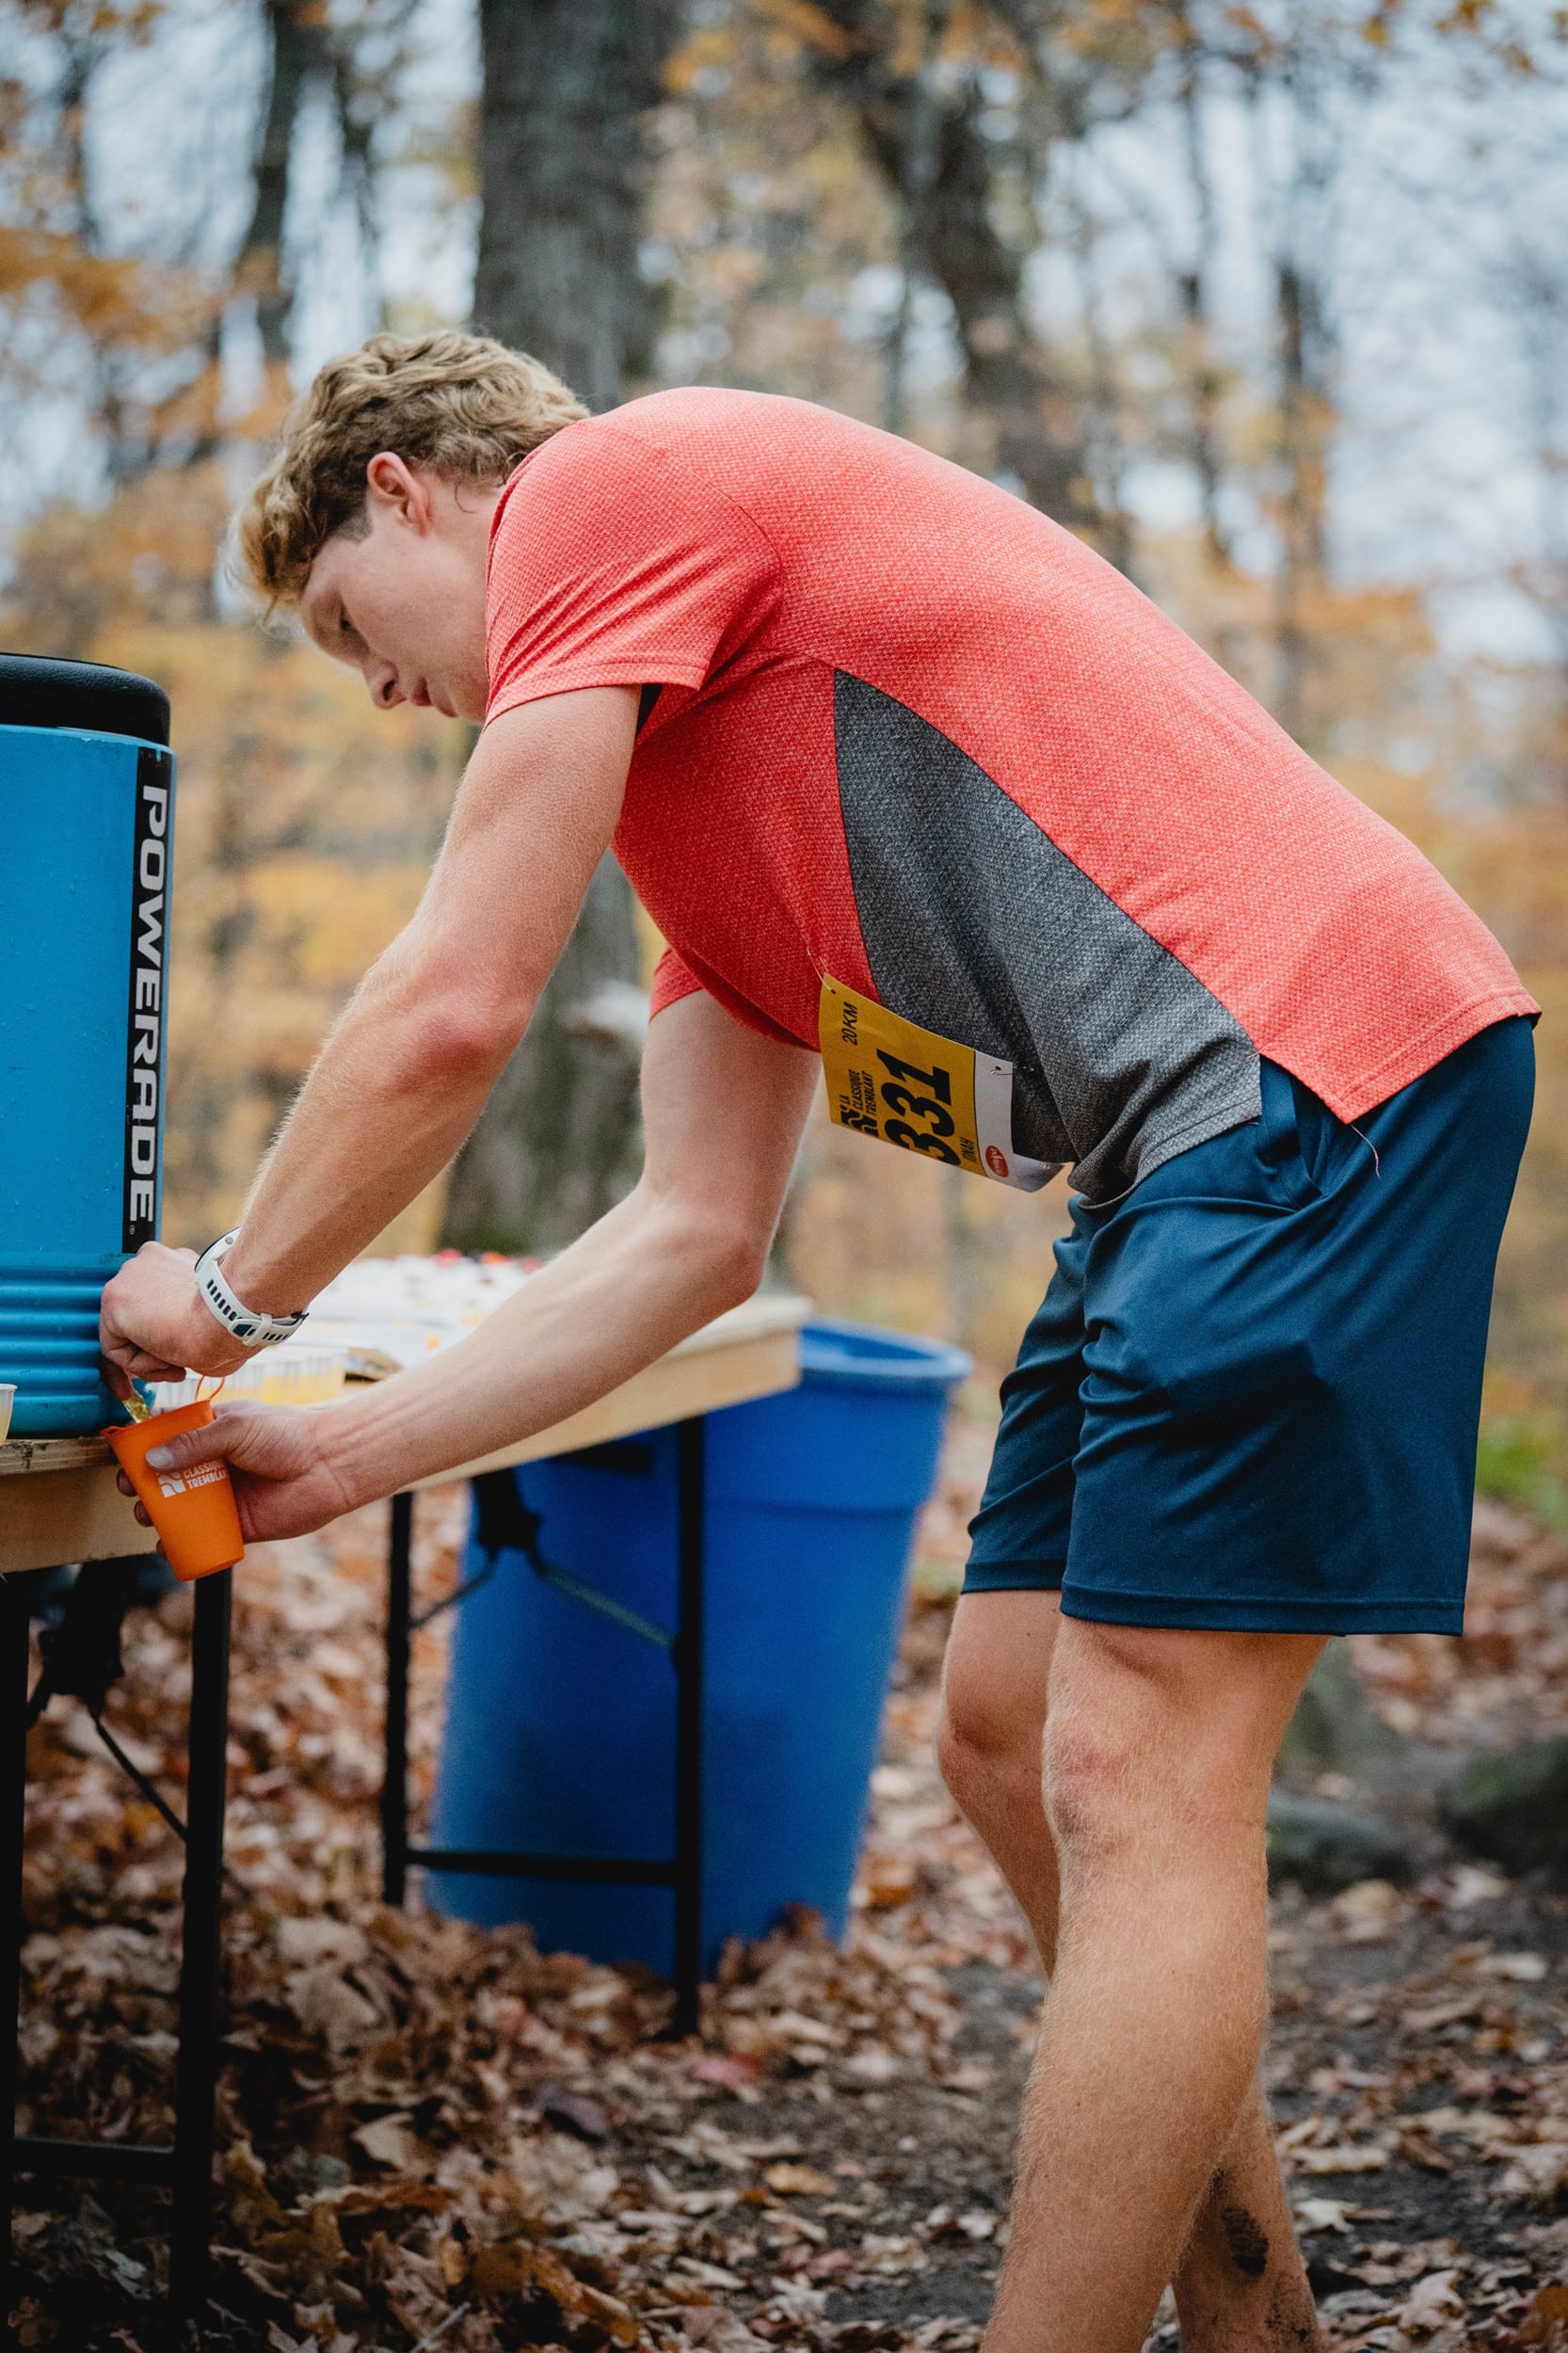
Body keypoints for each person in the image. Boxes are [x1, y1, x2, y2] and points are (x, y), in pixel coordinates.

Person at [100, 330, 1537, 2353]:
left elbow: (455, 1002)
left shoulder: (614, 479)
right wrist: (339, 1451)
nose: (379, 688)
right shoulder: (688, 829)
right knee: (1002, 1730)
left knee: (1134, 1769)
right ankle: (1255, 2320)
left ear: (409, 488)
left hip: (1312, 1065)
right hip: (1172, 1146)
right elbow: (688, 1235)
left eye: (351, 621)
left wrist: (233, 1291)